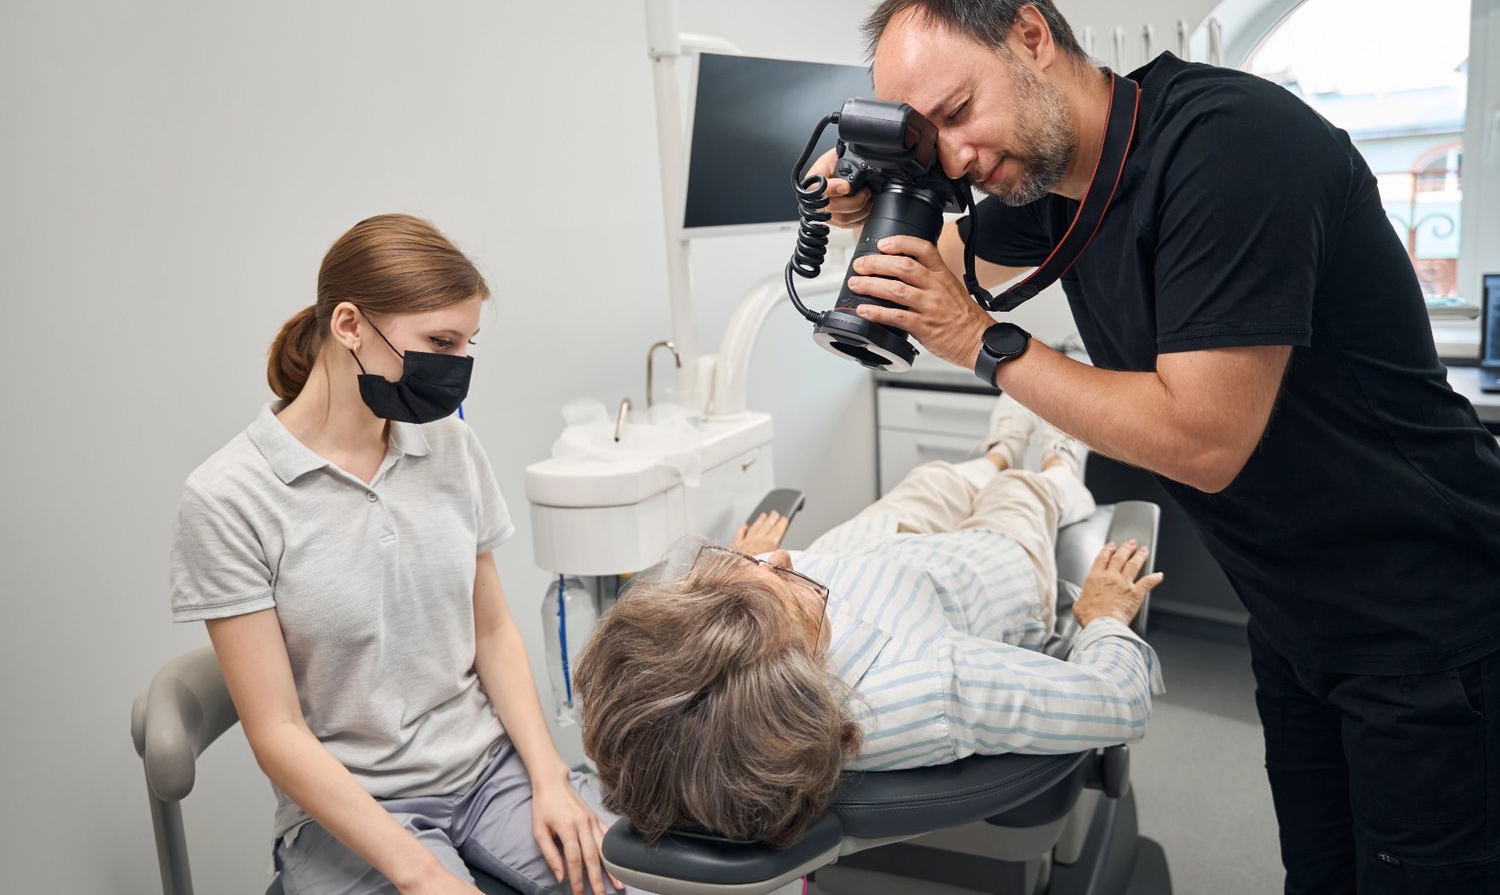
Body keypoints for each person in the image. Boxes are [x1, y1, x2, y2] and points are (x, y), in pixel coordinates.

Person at [810, 0, 1500, 892]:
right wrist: (865, 199)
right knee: (1322, 874)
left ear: (1031, 35)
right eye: (931, 139)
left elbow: (1205, 443)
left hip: (1427, 616)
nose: (959, 155)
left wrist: (979, 339)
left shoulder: (1233, 149)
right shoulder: (1049, 180)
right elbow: (944, 246)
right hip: (1296, 615)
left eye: (960, 110)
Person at [169, 215, 631, 895]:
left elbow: (493, 631)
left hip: (486, 774)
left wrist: (549, 777)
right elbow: (276, 732)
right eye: (440, 342)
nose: (455, 367)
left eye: (467, 344)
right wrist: (418, 873)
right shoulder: (228, 498)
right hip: (353, 810)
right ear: (349, 325)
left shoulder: (449, 446)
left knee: (637, 879)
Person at [574, 399, 1162, 848]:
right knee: (1023, 493)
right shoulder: (931, 686)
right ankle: (1056, 460)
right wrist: (1102, 617)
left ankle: (996, 450)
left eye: (726, 577)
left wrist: (742, 575)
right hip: (975, 574)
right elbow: (1121, 701)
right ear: (802, 684)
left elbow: (701, 680)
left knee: (933, 479)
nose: (779, 559)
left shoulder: (727, 679)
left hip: (864, 546)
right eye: (778, 584)